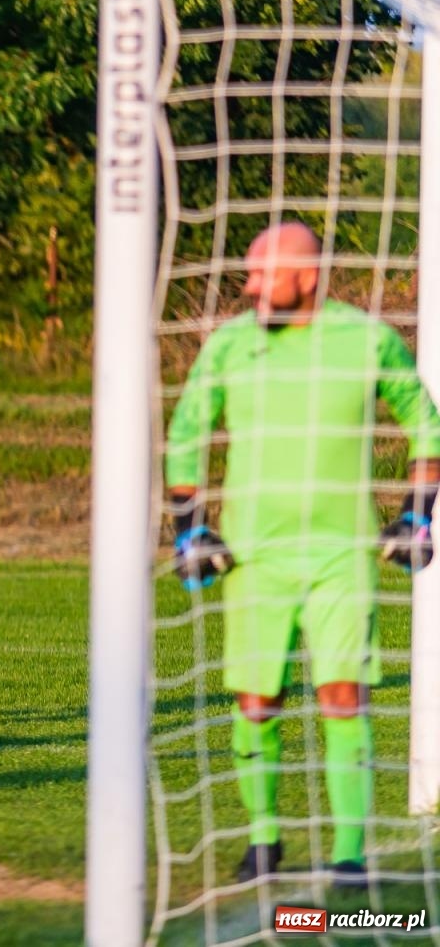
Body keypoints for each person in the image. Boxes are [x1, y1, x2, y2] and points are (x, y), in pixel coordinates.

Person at [166, 221, 440, 888]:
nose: (250, 286)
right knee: (257, 702)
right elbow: (185, 436)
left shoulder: (366, 340)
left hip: (340, 554)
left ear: (308, 277)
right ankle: (262, 841)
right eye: (250, 274)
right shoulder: (231, 344)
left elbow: (424, 424)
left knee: (343, 697)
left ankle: (350, 856)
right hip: (254, 557)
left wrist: (417, 515)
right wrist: (188, 527)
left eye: (265, 274)